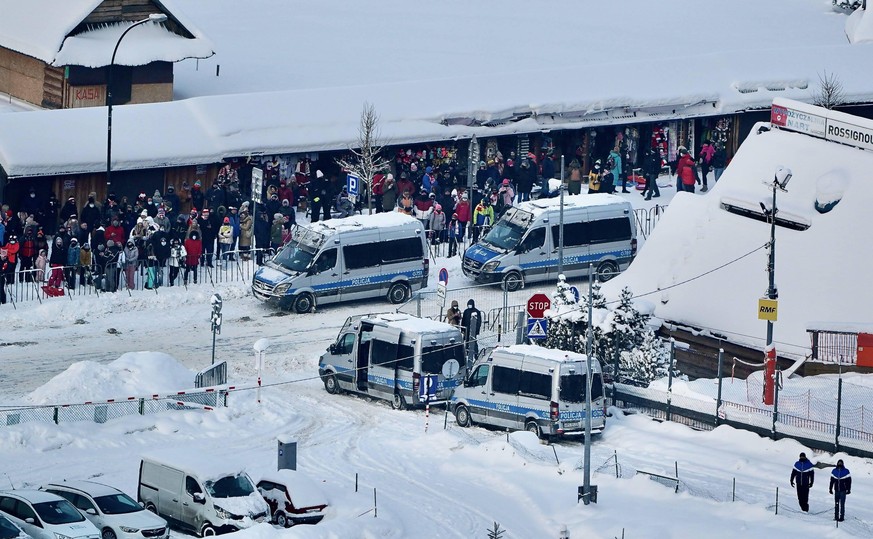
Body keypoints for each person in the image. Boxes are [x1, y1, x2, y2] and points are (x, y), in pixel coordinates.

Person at [461, 299, 482, 368]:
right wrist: (462, 329)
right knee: (467, 341)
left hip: (473, 330)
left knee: (473, 341)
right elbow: (463, 320)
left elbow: (479, 322)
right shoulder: (466, 311)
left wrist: (477, 330)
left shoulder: (477, 312)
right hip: (466, 329)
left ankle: (475, 353)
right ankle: (467, 352)